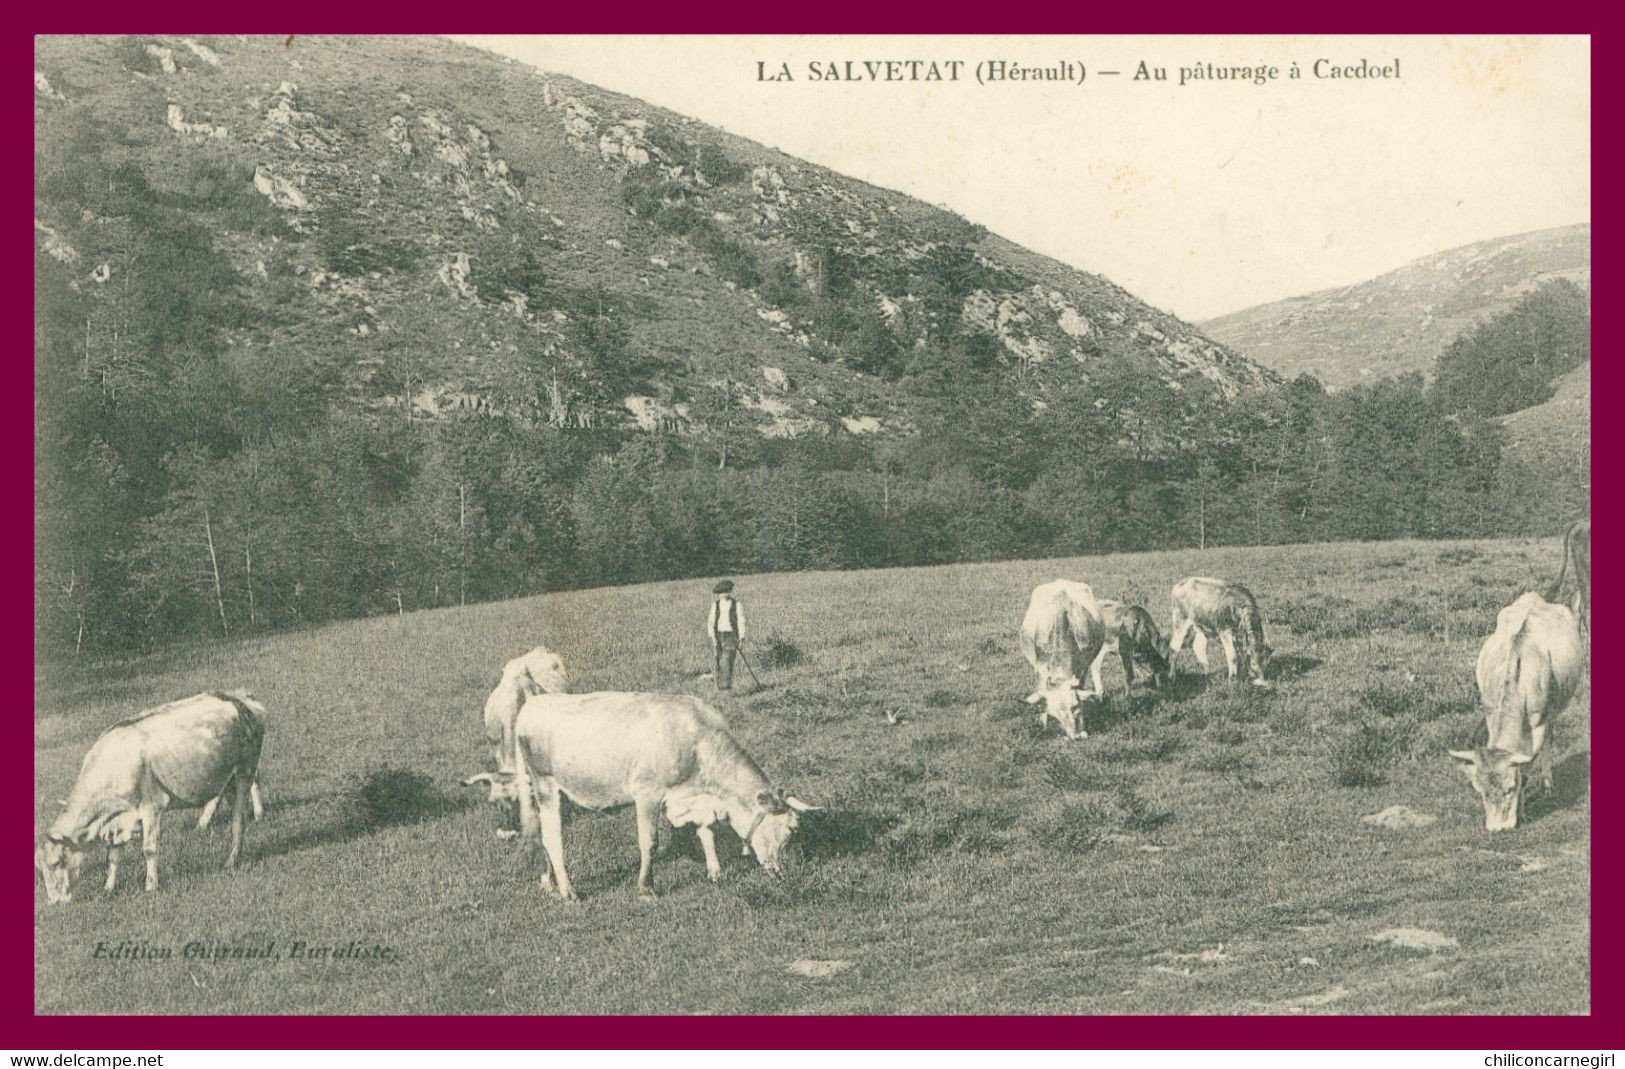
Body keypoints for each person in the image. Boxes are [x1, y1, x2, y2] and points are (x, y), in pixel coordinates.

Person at [707, 579, 746, 690]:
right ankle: (719, 686)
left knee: (727, 660)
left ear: (730, 591)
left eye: (726, 592)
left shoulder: (737, 604)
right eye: (721, 593)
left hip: (731, 636)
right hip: (718, 636)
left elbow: (741, 621)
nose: (723, 595)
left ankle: (725, 687)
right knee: (718, 660)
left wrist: (741, 638)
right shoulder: (715, 605)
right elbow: (710, 622)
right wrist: (713, 637)